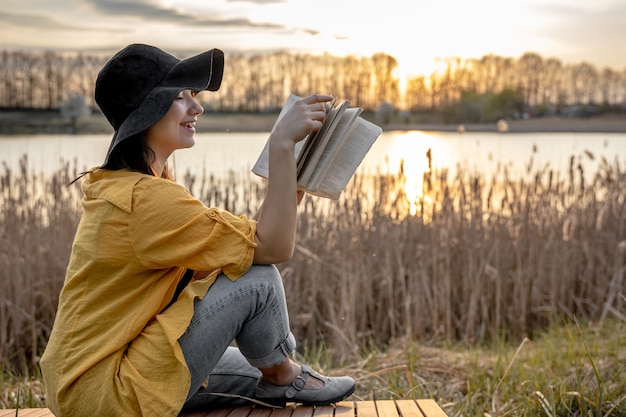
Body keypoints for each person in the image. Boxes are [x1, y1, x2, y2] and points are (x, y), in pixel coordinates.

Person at [40, 43, 355, 417]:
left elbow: (245, 244)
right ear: (148, 111)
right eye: (181, 97)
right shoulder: (145, 199)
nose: (197, 107)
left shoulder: (131, 186)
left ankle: (277, 375)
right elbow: (270, 250)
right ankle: (284, 374)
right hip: (108, 392)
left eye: (194, 95)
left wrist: (293, 182)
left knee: (249, 372)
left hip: (88, 384)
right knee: (258, 280)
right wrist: (281, 145)